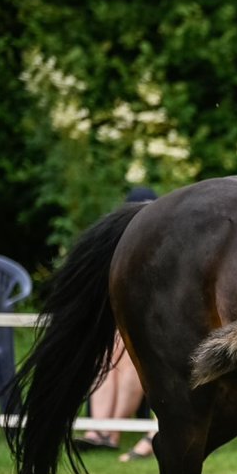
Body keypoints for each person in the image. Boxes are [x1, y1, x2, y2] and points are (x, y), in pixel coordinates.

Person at [74, 187, 157, 458]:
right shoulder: (119, 252)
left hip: (152, 331)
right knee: (108, 353)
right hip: (123, 327)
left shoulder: (161, 249)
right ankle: (98, 430)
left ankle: (111, 431)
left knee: (129, 356)